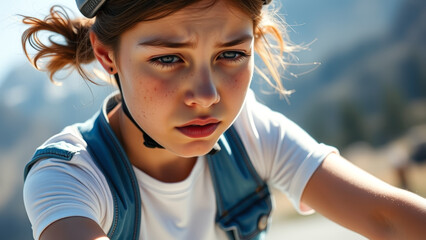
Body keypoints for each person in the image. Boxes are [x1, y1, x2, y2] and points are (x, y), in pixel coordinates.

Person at [21, 0, 426, 240]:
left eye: (231, 55)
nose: (207, 96)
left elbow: (387, 219)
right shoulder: (68, 175)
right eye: (167, 59)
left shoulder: (251, 131)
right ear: (108, 55)